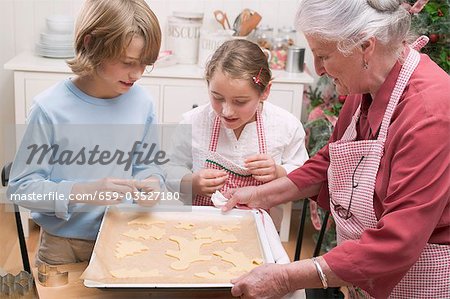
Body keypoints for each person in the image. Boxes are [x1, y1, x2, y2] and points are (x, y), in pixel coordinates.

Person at [222, 0, 450, 298]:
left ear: (365, 47)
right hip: (362, 280)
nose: (317, 70)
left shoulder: (429, 113)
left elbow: (400, 240)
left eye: (323, 56)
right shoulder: (364, 83)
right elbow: (330, 162)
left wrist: (287, 278)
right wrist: (258, 195)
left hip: (418, 283)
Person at [7, 0, 163, 265]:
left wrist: (152, 183)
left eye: (145, 64)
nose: (137, 73)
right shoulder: (50, 109)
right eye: (127, 62)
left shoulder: (142, 103)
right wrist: (83, 191)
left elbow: (148, 166)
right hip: (63, 247)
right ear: (91, 44)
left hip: (123, 236)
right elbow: (21, 189)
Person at [165, 39, 309, 226]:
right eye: (217, 98)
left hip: (260, 229)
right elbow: (170, 169)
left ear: (265, 91)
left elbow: (304, 177)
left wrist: (279, 172)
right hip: (200, 225)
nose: (227, 111)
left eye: (240, 101)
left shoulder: (285, 126)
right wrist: (191, 182)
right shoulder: (193, 122)